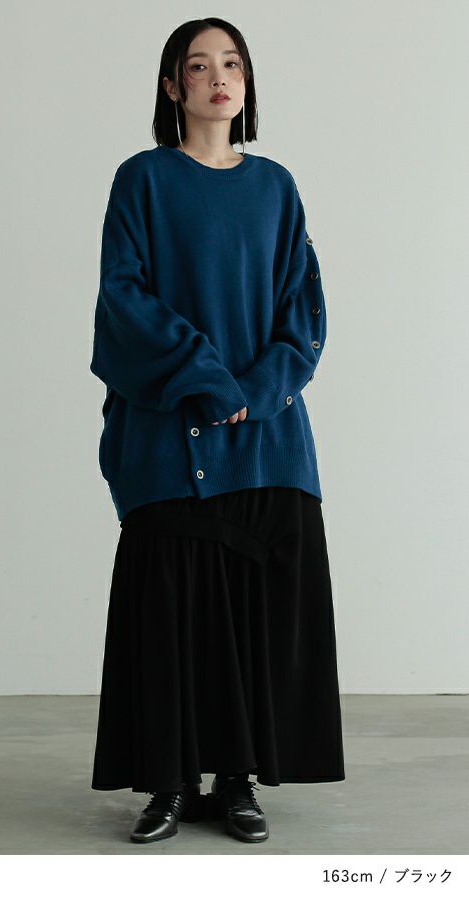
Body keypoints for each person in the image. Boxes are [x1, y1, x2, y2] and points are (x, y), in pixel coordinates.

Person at [89, 17, 345, 845]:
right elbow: (123, 298)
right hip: (171, 438)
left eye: (231, 63)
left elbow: (303, 306)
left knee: (251, 615)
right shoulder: (143, 180)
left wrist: (257, 391)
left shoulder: (276, 187)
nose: (218, 78)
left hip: (267, 439)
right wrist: (205, 379)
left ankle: (237, 783)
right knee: (171, 613)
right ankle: (167, 784)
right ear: (173, 87)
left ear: (247, 80)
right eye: (197, 66)